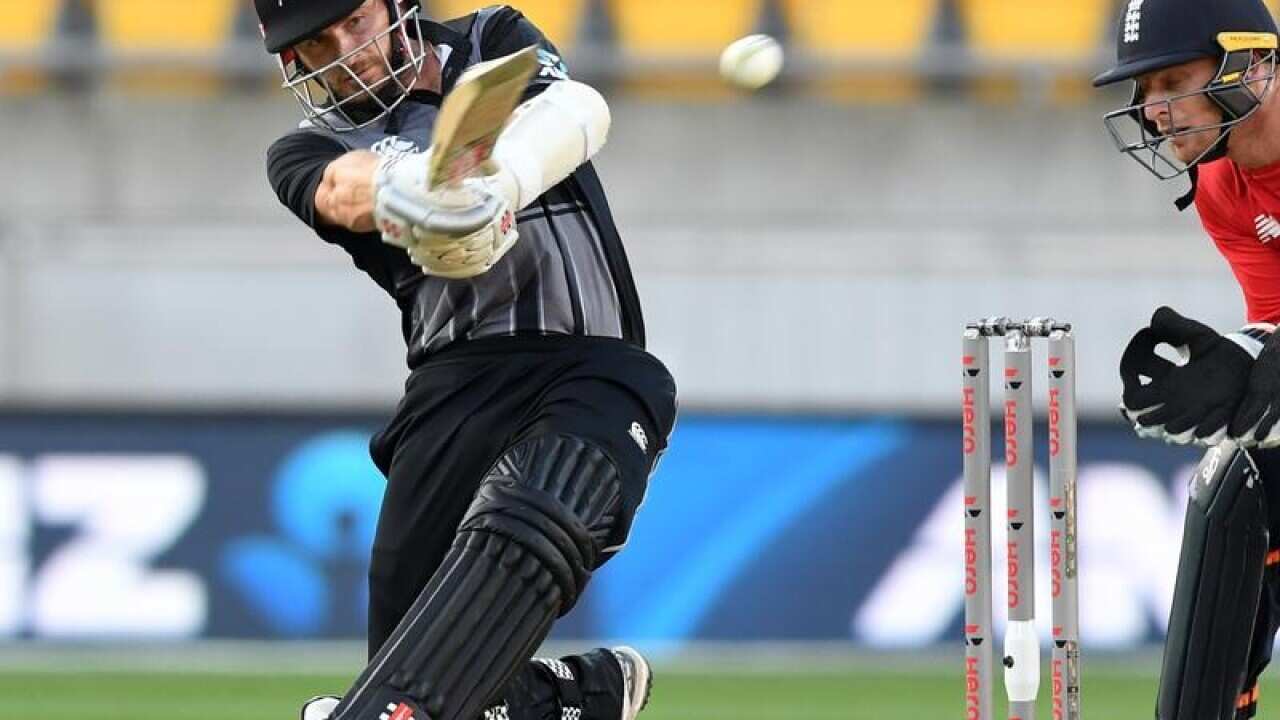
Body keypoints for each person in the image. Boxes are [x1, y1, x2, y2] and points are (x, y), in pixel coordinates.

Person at [252, 2, 679, 719]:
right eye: (318, 42)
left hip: (590, 363)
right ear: (294, 60)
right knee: (422, 681)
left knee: (539, 505)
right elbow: (341, 191)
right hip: (451, 390)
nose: (347, 50)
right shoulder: (304, 150)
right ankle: (578, 697)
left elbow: (576, 111)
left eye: (356, 21)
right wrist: (415, 194)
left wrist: (491, 189)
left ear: (395, 6)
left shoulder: (488, 41)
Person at [1095, 0, 1280, 717]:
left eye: (1173, 82)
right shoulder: (1221, 187)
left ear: (1251, 65)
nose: (1154, 111)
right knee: (1239, 472)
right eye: (1145, 91)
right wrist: (1240, 360)